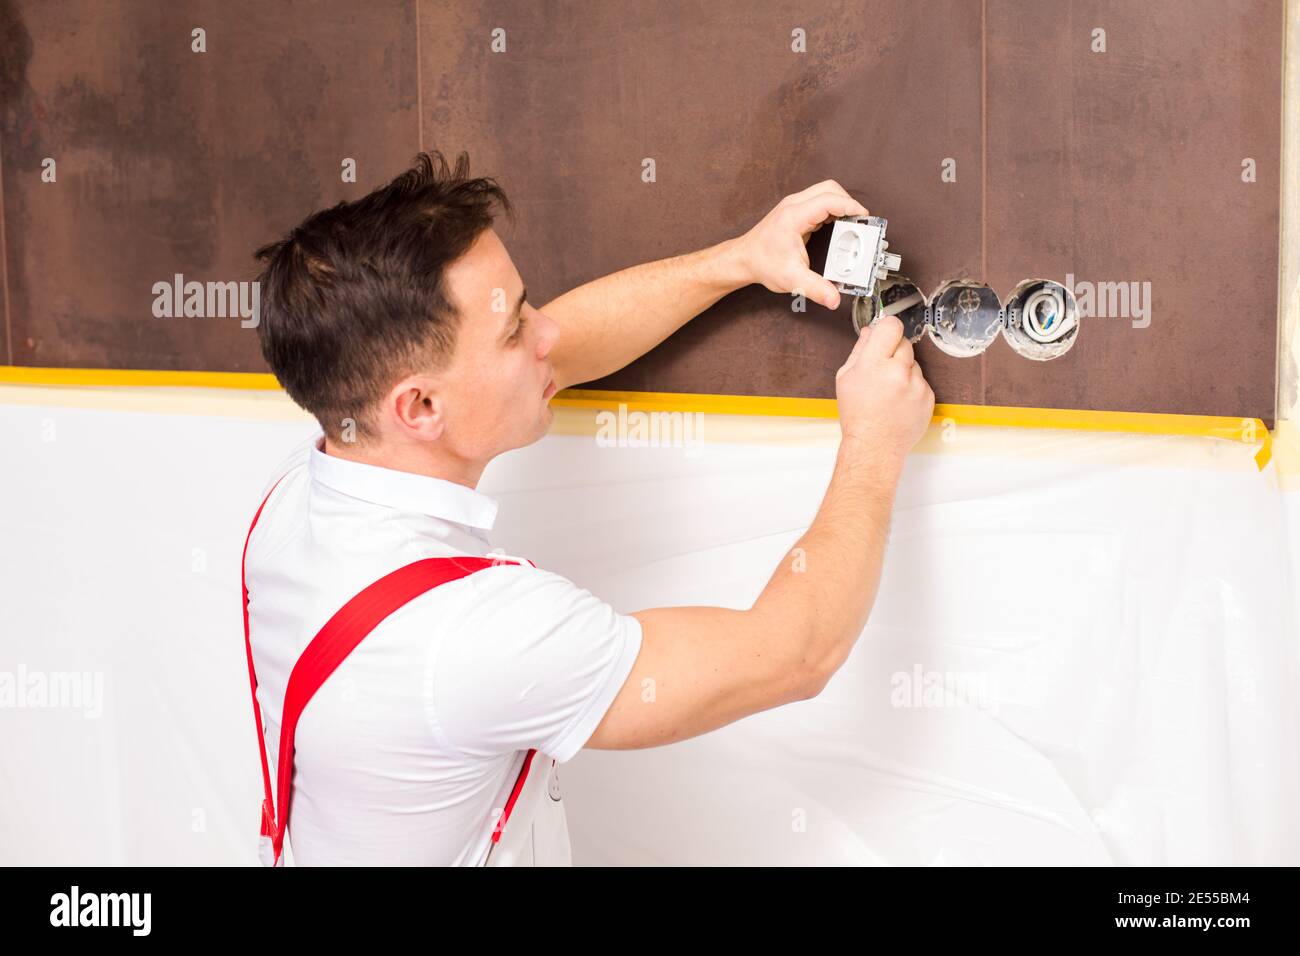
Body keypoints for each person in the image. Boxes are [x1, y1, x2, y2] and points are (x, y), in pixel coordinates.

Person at [242, 150, 934, 866]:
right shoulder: (471, 636)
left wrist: (740, 260)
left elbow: (557, 353)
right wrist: (875, 444)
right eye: (515, 330)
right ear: (418, 405)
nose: (547, 333)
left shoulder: (304, 492)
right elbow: (795, 654)